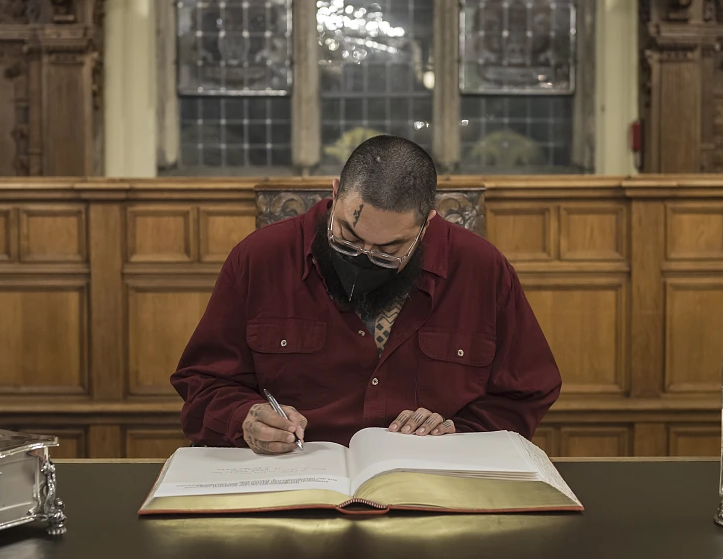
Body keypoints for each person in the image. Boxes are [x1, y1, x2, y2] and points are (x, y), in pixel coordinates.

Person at [171, 135, 561, 455]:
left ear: (427, 223)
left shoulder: (480, 268)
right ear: (335, 192)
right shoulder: (260, 258)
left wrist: (458, 431)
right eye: (348, 236)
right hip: (295, 474)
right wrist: (245, 417)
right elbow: (203, 384)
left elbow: (527, 391)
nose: (363, 257)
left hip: (430, 481)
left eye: (389, 249)